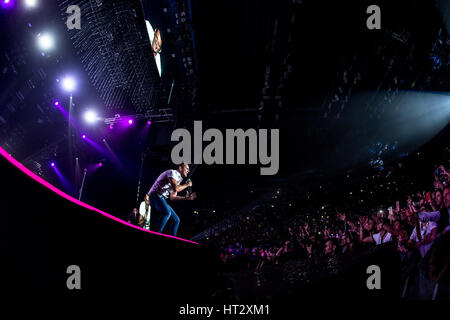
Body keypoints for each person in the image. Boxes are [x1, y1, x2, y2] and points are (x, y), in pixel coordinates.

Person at [148, 162, 196, 236]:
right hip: (154, 196)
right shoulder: (172, 173)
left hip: (161, 198)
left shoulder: (178, 180)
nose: (188, 171)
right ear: (180, 168)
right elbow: (176, 188)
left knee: (176, 220)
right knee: (166, 212)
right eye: (187, 168)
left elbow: (172, 197)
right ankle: (155, 234)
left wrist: (186, 198)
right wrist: (187, 184)